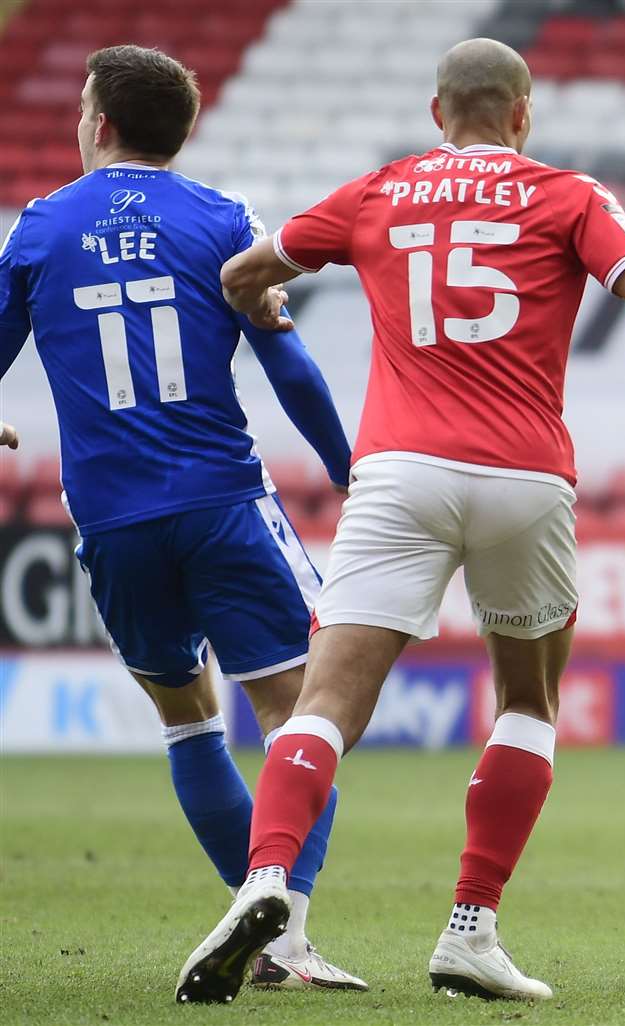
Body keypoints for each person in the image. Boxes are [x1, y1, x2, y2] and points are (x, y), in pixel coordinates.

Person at [175, 38, 625, 1004]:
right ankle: (470, 926)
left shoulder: (378, 191)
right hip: (523, 479)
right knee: (530, 702)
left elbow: (245, 273)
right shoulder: (568, 195)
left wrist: (265, 297)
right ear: (523, 114)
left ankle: (268, 884)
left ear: (436, 114)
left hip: (399, 472)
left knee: (326, 702)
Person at [0, 46, 363, 992]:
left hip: (113, 524)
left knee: (187, 721)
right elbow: (288, 365)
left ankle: (257, 914)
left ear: (101, 123)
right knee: (302, 710)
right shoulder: (222, 222)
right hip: (222, 502)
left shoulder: (37, 230)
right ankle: (281, 917)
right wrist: (349, 472)